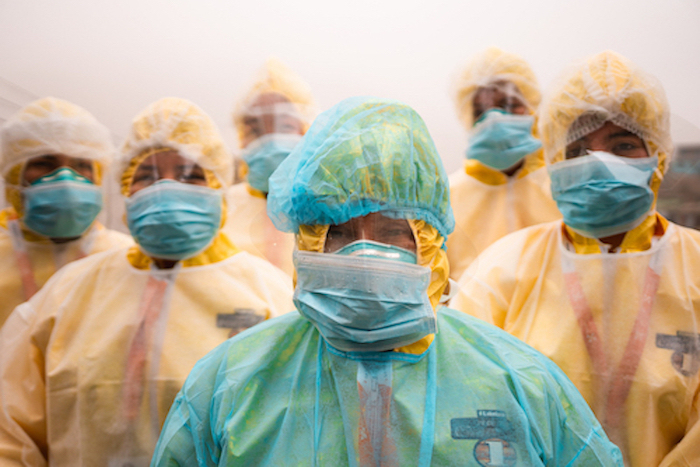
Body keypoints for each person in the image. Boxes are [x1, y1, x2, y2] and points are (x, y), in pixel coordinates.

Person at [151, 97, 622, 466]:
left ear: (431, 244)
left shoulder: (520, 383)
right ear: (305, 244)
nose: (365, 250)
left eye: (394, 231)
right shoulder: (231, 384)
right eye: (336, 232)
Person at [0, 97, 294, 466]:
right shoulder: (67, 293)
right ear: (125, 190)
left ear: (219, 189)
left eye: (190, 175)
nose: (166, 189)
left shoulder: (270, 293)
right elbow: (11, 434)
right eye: (147, 176)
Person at [450, 51, 700, 466]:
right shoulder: (501, 272)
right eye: (578, 149)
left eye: (623, 144)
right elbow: (468, 404)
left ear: (657, 157)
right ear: (554, 162)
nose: (599, 162)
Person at [0, 97, 132, 327]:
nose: (66, 177)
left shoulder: (126, 257)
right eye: (44, 163)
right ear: (15, 175)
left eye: (81, 165)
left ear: (98, 175)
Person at [446, 47, 560, 279]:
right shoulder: (447, 197)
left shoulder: (563, 187)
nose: (495, 117)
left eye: (508, 105)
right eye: (480, 111)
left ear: (533, 106)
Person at [222, 58, 317, 276]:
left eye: (284, 126)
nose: (269, 139)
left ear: (306, 132)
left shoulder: (330, 208)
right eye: (254, 130)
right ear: (241, 137)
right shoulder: (221, 208)